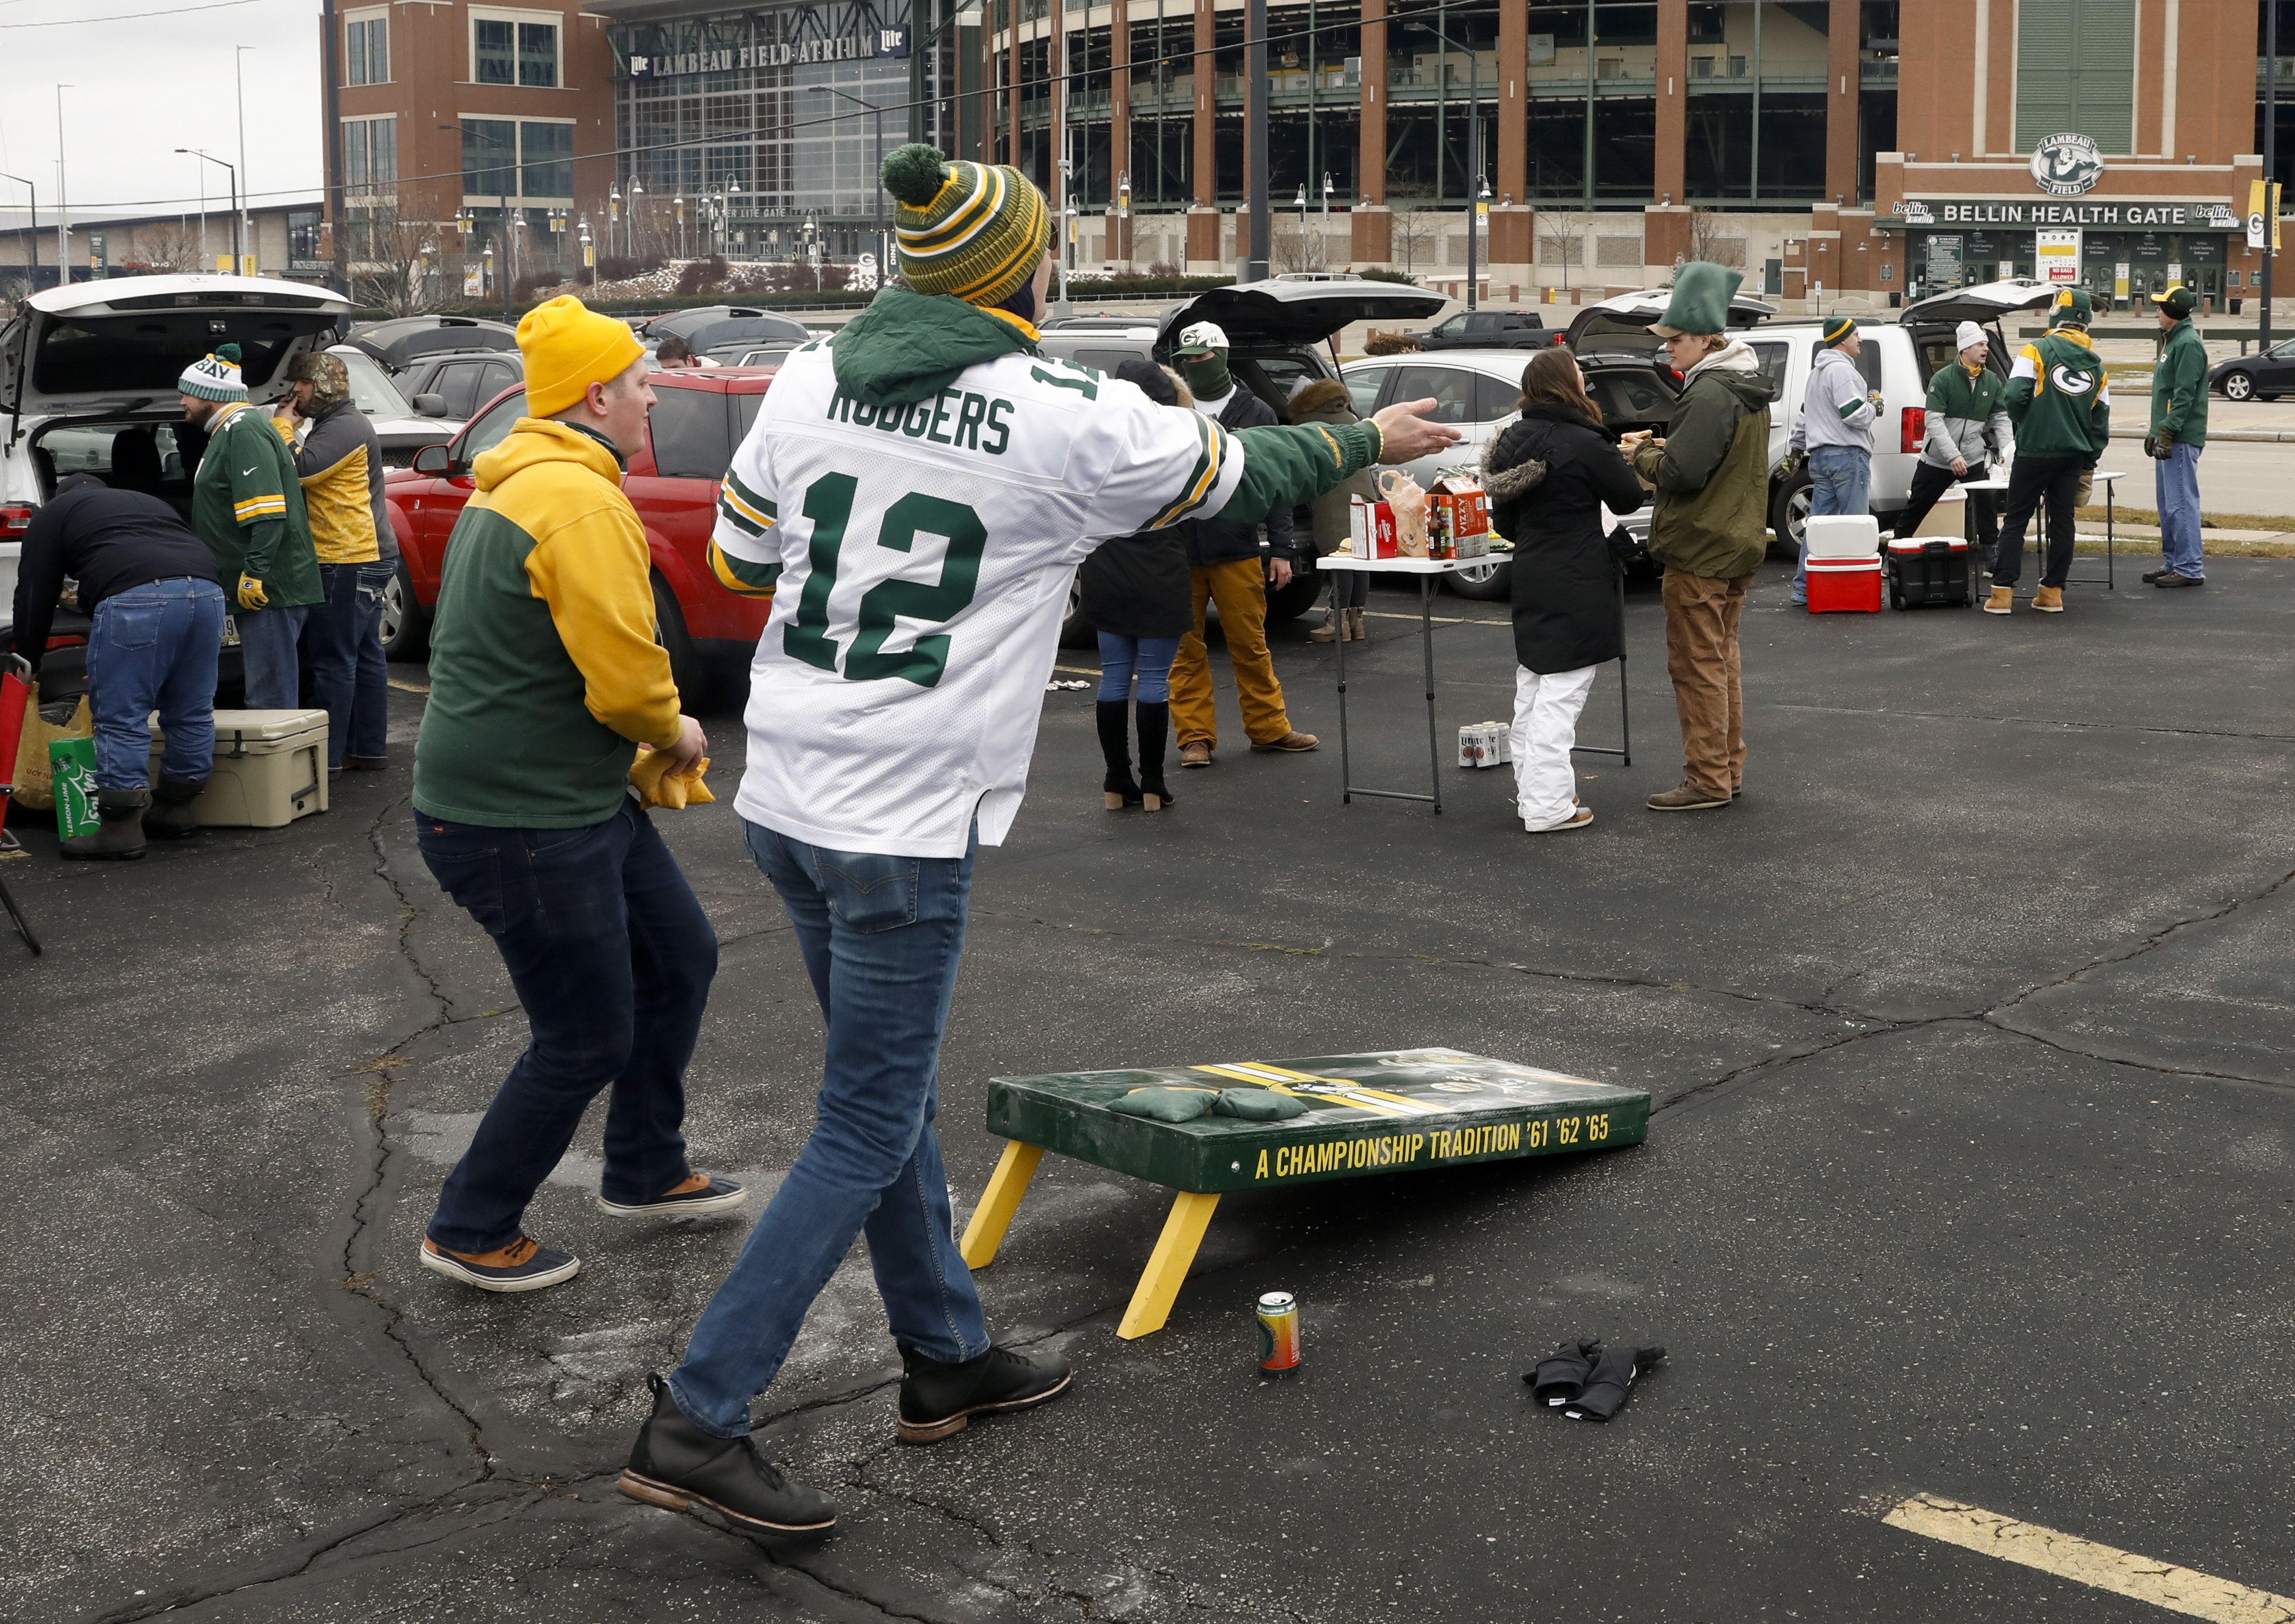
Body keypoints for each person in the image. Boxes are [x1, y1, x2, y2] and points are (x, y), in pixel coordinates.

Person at [630, 145, 1456, 1535]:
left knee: (877, 1105)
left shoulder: (811, 376)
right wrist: (1372, 434)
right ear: (1020, 269)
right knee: (863, 1121)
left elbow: (738, 563)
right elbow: (1238, 471)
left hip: (787, 795)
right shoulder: (1061, 410)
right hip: (902, 817)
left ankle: (946, 1355)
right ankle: (698, 1416)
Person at [410, 296, 730, 1298]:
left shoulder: (535, 479)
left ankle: (643, 1166)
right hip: (521, 818)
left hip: (567, 801)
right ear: (596, 395)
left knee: (679, 956)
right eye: (641, 384)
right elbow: (630, 680)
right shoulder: (577, 500)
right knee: (585, 1032)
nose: (651, 399)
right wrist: (673, 729)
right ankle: (471, 1222)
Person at [9, 457, 224, 857]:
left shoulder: (54, 512)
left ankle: (121, 829)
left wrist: (29, 653)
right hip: (208, 593)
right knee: (192, 708)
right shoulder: (147, 504)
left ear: (63, 496)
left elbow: (35, 589)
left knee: (121, 714)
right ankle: (177, 809)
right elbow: (122, 562)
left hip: (138, 599)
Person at [1626, 261, 1769, 813]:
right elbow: (1711, 459)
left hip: (1701, 548)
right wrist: (1662, 445)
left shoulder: (1710, 390)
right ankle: (1724, 770)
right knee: (1720, 660)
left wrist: (1638, 453)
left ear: (1707, 338)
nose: (1668, 350)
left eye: (1676, 339)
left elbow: (1684, 473)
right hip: (1735, 542)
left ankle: (1708, 778)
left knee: (1697, 666)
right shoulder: (1740, 382)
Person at [1484, 347, 1645, 834]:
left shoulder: (1512, 438)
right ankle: (1549, 807)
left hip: (1532, 569)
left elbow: (1505, 518)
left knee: (1532, 688)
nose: (1586, 382)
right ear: (1564, 384)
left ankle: (1534, 793)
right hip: (1578, 575)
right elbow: (1629, 496)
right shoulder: (1584, 440)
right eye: (1579, 375)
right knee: (1562, 696)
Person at [1164, 319, 1315, 767]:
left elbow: (1277, 485)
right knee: (1184, 650)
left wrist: (1283, 550)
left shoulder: (1257, 413)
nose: (1193, 366)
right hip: (1180, 551)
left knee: (1250, 644)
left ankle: (1269, 728)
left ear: (1223, 357)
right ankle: (1195, 738)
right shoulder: (1173, 410)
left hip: (1237, 549)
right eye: (1186, 361)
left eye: (1202, 358)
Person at [176, 346, 321, 708]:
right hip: (258, 591)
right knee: (265, 690)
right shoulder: (230, 430)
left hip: (270, 592)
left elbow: (269, 511)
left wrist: (254, 573)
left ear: (212, 394)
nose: (182, 401)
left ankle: (279, 767)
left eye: (188, 392)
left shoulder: (245, 431)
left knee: (269, 698)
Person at [1083, 357, 1194, 813]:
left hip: (1106, 564)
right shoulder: (1176, 439)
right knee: (1153, 679)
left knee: (1113, 676)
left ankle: (1115, 780)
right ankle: (1152, 783)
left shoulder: (1095, 439)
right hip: (1159, 566)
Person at [283, 350, 392, 774]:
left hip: (347, 556)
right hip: (365, 555)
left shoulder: (344, 426)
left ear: (323, 385)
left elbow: (301, 470)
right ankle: (366, 749)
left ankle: (326, 761)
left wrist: (282, 426)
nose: (295, 392)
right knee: (364, 655)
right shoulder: (339, 423)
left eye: (302, 384)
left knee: (333, 660)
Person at [1984, 288, 2111, 615]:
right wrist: (2090, 460)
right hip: (2072, 456)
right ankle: (2052, 592)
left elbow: (2013, 396)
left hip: (2035, 450)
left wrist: (2026, 421)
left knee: (2016, 520)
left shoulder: (2035, 350)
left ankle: (2002, 594)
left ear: (2056, 315)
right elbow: (2101, 421)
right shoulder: (2098, 366)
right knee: (2062, 522)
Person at [1788, 317, 1877, 609]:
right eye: (1856, 335)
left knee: (1818, 528)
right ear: (1842, 339)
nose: (1860, 340)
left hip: (1820, 459)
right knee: (1856, 526)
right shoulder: (1842, 371)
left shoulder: (1816, 375)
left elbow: (1804, 419)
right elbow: (1853, 413)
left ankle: (1803, 588)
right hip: (1847, 457)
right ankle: (1856, 589)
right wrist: (1874, 406)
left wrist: (1795, 451)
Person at [1895, 328, 2007, 552]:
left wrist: (2007, 450)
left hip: (1974, 457)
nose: (1986, 348)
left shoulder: (1991, 381)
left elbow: (2001, 418)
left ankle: (1992, 554)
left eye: (1986, 344)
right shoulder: (1944, 378)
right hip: (1937, 459)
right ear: (1965, 348)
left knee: (1986, 504)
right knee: (1917, 506)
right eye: (1980, 345)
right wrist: (1953, 455)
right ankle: (1895, 552)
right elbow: (1934, 422)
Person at [1286, 374, 1375, 643]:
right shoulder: (1349, 416)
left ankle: (1336, 623)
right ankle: (1355, 622)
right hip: (1364, 494)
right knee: (1359, 559)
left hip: (1334, 498)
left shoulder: (1306, 422)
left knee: (1338, 558)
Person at [2142, 283, 2211, 589]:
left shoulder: (2188, 345)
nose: (2156, 312)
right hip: (2168, 435)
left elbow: (2184, 396)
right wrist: (2155, 431)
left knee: (2181, 503)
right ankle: (2173, 561)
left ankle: (2190, 567)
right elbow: (2166, 395)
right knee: (2167, 504)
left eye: (2160, 308)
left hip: (2181, 438)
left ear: (2173, 312)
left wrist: (2168, 431)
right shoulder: (2173, 341)